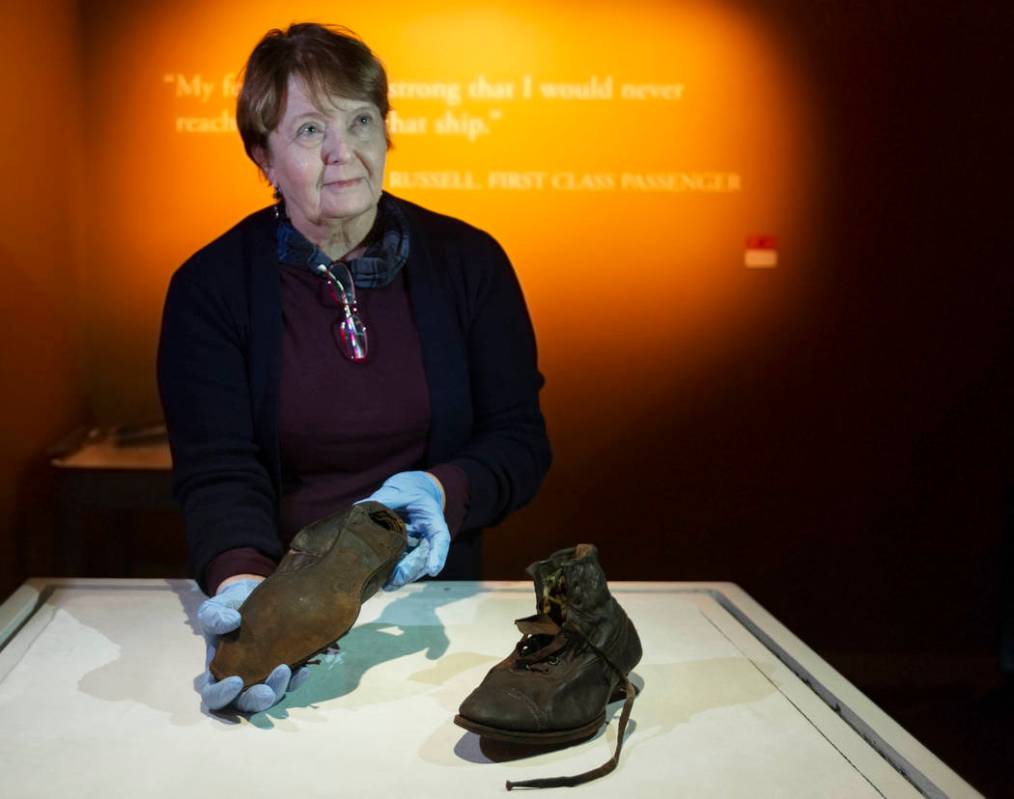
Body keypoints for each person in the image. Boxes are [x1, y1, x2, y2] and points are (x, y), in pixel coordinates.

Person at [157, 23, 551, 713]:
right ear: (263, 156)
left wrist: (443, 489)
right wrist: (247, 589)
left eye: (361, 121)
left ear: (386, 133)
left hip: (436, 608)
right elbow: (218, 468)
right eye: (310, 131)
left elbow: (520, 438)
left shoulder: (471, 263)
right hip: (281, 593)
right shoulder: (209, 287)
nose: (345, 153)